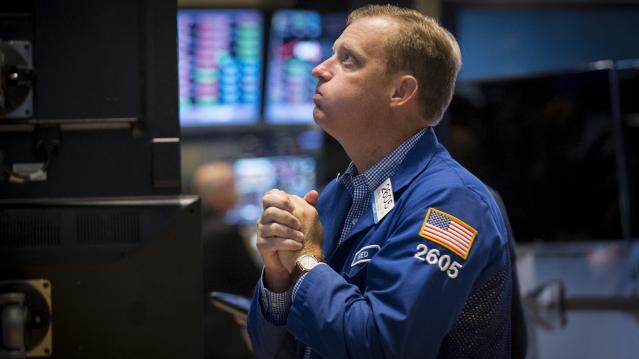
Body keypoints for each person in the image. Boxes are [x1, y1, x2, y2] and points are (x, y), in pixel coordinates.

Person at [249, 5, 515, 358]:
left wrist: (306, 261)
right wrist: (277, 275)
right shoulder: (335, 196)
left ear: (400, 92)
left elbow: (384, 346)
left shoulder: (451, 203)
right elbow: (274, 351)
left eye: (348, 60)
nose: (319, 69)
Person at [192, 162, 260, 359]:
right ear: (218, 192)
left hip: (198, 326)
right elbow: (253, 281)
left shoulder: (190, 226)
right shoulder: (224, 231)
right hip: (227, 328)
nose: (237, 192)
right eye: (232, 186)